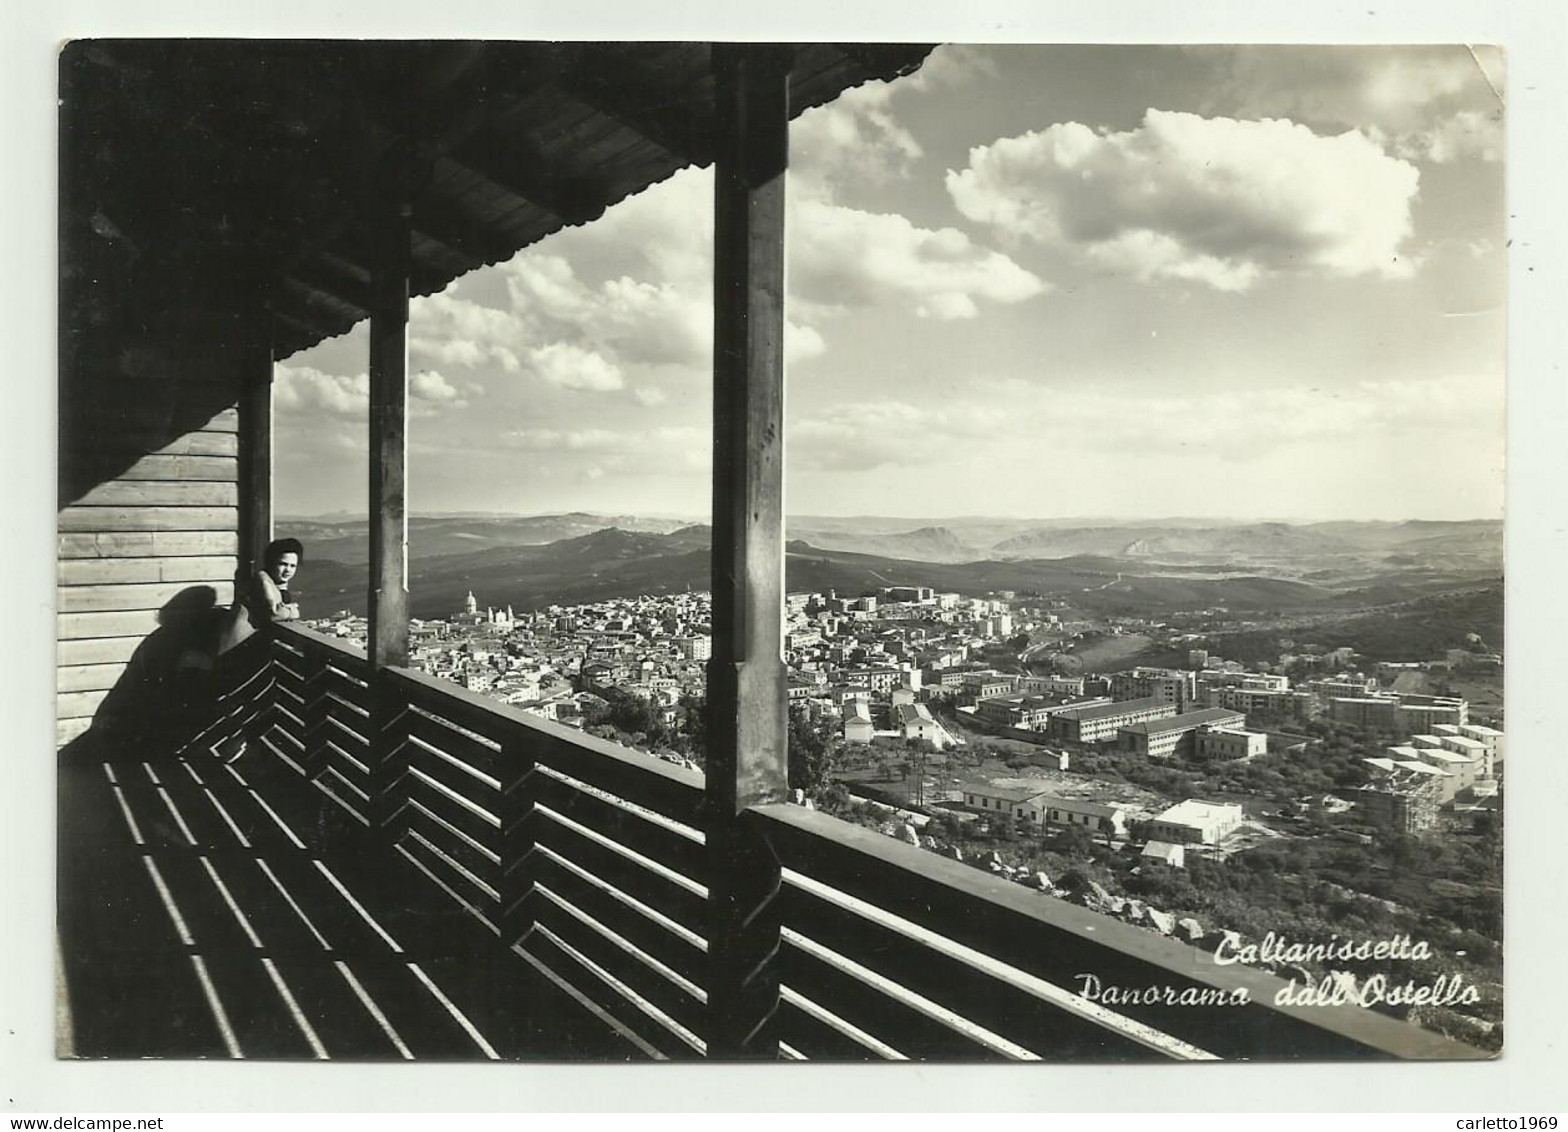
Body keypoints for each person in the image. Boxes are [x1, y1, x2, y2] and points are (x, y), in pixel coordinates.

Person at [217, 537, 304, 656]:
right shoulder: (263, 581)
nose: (288, 570)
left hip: (243, 644)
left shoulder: (270, 581)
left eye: (293, 566)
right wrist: (293, 611)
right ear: (271, 562)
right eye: (283, 564)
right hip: (237, 649)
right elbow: (274, 614)